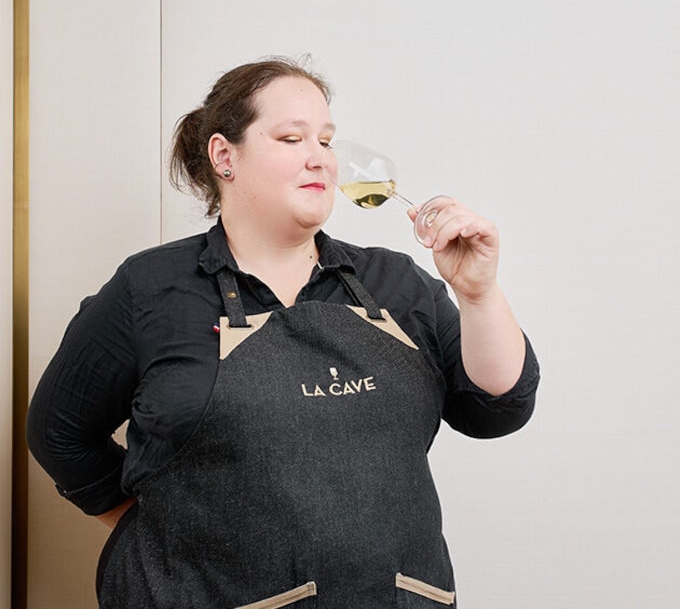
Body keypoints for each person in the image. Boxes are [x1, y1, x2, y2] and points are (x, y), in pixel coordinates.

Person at [27, 57, 539, 608]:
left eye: (326, 140)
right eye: (292, 138)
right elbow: (59, 433)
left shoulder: (395, 282)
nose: (319, 157)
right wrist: (158, 529)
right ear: (225, 156)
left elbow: (496, 408)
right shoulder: (150, 288)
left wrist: (478, 294)